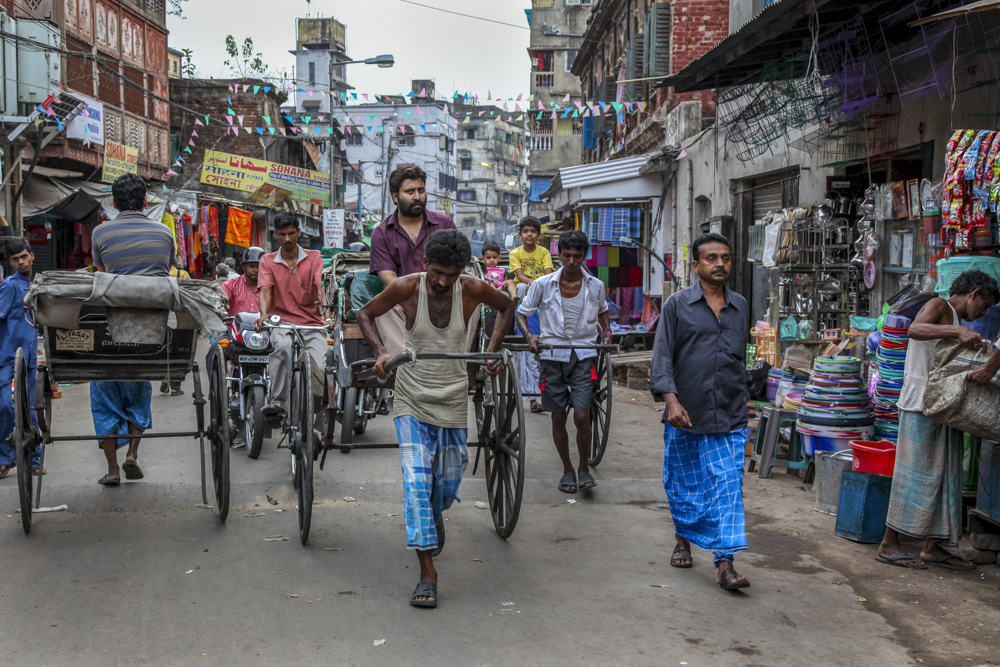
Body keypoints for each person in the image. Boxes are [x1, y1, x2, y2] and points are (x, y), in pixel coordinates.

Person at [357, 230, 516, 609]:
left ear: (462, 270)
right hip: (411, 397)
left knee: (447, 478)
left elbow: (508, 306)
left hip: (453, 398)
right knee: (416, 482)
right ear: (424, 264)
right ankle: (428, 573)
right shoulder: (407, 289)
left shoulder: (474, 289)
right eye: (437, 273)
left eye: (452, 273)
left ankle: (433, 514)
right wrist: (379, 351)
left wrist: (492, 351)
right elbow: (365, 313)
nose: (443, 281)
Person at [877, 269, 1000, 570]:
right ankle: (888, 543)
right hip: (920, 403)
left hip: (944, 406)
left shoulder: (958, 321)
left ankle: (934, 546)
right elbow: (915, 330)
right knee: (913, 475)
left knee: (945, 478)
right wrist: (956, 333)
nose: (983, 312)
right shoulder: (939, 306)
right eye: (984, 305)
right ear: (973, 294)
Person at [650, 233, 751, 591]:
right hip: (686, 413)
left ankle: (725, 563)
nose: (719, 263)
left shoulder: (740, 305)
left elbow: (740, 357)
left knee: (726, 485)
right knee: (685, 484)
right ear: (696, 265)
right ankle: (683, 540)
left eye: (725, 257)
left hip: (730, 413)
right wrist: (671, 401)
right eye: (711, 258)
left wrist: (747, 393)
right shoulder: (677, 305)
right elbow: (662, 356)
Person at [90, 173, 175, 486]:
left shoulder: (100, 232)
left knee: (103, 396)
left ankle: (113, 469)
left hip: (111, 330)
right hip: (149, 334)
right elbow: (163, 273)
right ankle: (132, 456)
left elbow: (103, 274)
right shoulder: (165, 233)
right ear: (145, 201)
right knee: (139, 393)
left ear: (113, 202)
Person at [517, 231, 611, 493]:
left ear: (584, 256)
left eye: (577, 256)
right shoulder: (543, 284)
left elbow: (603, 311)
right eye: (567, 256)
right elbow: (522, 313)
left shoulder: (595, 286)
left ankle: (583, 468)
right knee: (558, 416)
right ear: (559, 255)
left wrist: (606, 331)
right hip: (551, 355)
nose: (571, 261)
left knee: (582, 415)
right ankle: (567, 470)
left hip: (583, 355)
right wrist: (529, 336)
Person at [369, 164, 457, 355]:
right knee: (384, 305)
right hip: (404, 304)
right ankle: (403, 366)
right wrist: (418, 297)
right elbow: (389, 279)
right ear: (395, 196)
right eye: (410, 191)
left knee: (470, 300)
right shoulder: (382, 234)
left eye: (421, 190)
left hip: (443, 300)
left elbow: (456, 270)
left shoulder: (445, 225)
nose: (417, 196)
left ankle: (459, 362)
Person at [255, 213, 330, 418]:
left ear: (298, 232)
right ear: (275, 235)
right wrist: (263, 315)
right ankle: (278, 402)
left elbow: (320, 288)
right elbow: (265, 291)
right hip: (282, 323)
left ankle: (318, 421)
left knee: (320, 366)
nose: (287, 239)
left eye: (291, 233)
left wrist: (327, 317)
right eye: (282, 235)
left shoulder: (314, 257)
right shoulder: (267, 261)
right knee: (282, 349)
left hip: (312, 323)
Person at [0, 239, 42, 477]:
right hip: (7, 356)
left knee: (32, 409)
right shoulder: (9, 286)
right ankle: (5, 457)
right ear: (11, 262)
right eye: (15, 259)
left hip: (30, 356)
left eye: (24, 257)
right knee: (5, 405)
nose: (20, 262)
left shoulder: (38, 285)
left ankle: (34, 460)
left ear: (32, 256)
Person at [509, 216, 553, 414]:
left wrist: (540, 284)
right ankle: (527, 329)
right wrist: (533, 284)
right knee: (522, 288)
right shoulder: (515, 253)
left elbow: (549, 272)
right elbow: (520, 276)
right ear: (520, 235)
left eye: (533, 231)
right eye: (525, 231)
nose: (529, 234)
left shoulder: (544, 252)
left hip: (542, 288)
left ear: (539, 235)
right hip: (525, 288)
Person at [221, 247, 264, 317]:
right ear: (244, 267)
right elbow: (219, 305)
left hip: (262, 327)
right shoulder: (230, 285)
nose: (256, 270)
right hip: (236, 327)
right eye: (252, 266)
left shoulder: (269, 288)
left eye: (259, 266)